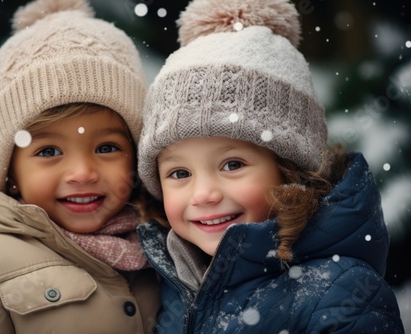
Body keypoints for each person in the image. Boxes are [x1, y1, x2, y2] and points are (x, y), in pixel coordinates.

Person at [136, 0, 404, 333]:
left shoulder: (339, 294)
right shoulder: (171, 285)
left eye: (232, 164)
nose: (203, 194)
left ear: (291, 170)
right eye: (180, 173)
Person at [0, 0, 160, 332]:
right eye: (49, 151)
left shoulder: (168, 253)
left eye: (107, 147)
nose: (82, 173)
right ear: (10, 174)